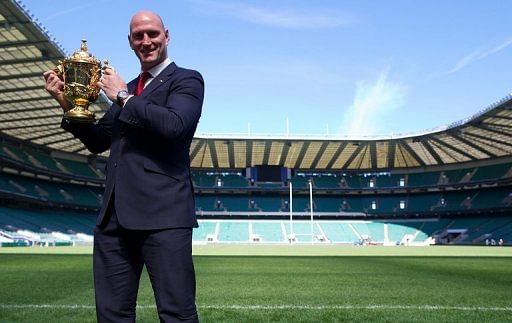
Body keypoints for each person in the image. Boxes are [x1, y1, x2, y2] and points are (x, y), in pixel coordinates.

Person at [44, 11, 203, 322]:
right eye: (139, 36)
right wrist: (66, 102)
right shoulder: (129, 87)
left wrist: (121, 96)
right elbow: (99, 141)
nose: (146, 41)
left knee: (177, 314)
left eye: (152, 34)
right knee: (112, 315)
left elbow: (175, 126)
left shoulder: (186, 80)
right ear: (130, 42)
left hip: (164, 217)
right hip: (113, 219)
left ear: (166, 36)